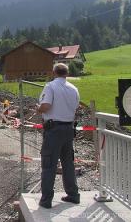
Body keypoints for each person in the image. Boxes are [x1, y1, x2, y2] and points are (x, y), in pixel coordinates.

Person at [36, 63, 80, 209]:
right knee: (68, 163)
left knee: (49, 164)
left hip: (53, 129)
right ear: (66, 73)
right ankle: (73, 195)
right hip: (68, 128)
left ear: (53, 72)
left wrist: (38, 109)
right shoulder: (74, 89)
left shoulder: (50, 86)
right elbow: (75, 108)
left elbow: (46, 106)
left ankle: (46, 200)